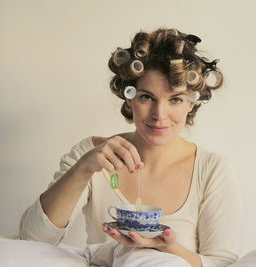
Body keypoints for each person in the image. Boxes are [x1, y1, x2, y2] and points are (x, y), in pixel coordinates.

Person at [19, 28, 242, 267]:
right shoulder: (94, 156)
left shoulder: (211, 170)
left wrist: (168, 248)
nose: (159, 114)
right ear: (129, 98)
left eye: (175, 99)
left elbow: (222, 264)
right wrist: (84, 168)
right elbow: (32, 240)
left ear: (190, 104)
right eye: (147, 97)